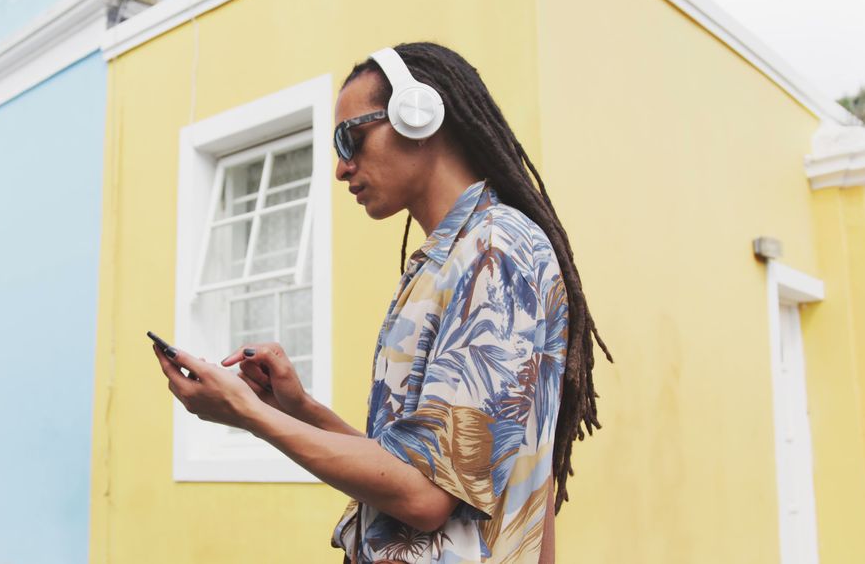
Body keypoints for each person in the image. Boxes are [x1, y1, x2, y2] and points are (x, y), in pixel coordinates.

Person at [152, 42, 612, 563]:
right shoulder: (446, 261)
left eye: (350, 138)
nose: (341, 168)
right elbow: (414, 469)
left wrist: (248, 414)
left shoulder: (494, 250)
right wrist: (296, 410)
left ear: (420, 117)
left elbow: (425, 498)